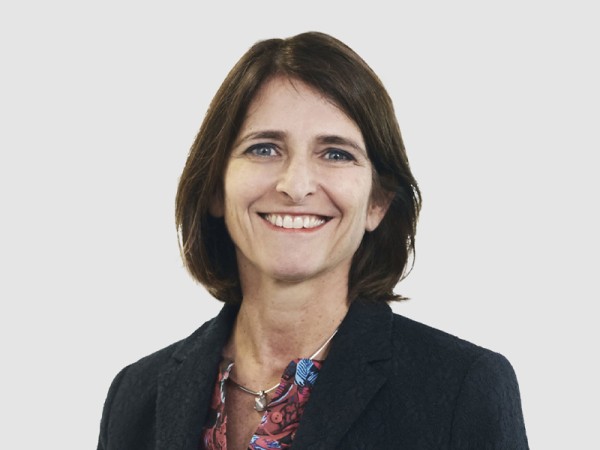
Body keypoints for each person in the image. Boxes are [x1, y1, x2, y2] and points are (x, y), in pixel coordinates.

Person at [97, 31, 529, 449]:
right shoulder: (136, 396)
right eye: (264, 148)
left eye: (336, 153)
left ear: (377, 202)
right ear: (215, 188)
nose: (296, 185)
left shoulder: (462, 389)